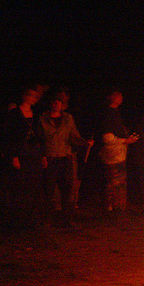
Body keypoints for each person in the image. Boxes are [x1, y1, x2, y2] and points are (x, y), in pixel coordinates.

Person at [40, 96, 93, 226]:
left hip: (65, 157)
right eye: (54, 102)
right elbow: (40, 139)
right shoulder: (42, 118)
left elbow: (73, 136)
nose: (57, 105)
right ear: (50, 104)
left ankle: (66, 220)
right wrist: (42, 156)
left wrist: (85, 143)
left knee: (67, 190)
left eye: (59, 103)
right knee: (49, 190)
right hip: (51, 156)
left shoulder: (68, 118)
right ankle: (47, 220)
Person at [4, 86, 47, 229]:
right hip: (21, 152)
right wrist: (14, 156)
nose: (32, 99)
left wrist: (43, 155)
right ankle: (18, 219)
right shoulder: (14, 114)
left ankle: (32, 219)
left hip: (34, 153)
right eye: (30, 95)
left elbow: (40, 135)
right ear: (24, 96)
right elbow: (10, 136)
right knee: (21, 185)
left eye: (35, 97)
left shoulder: (35, 114)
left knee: (34, 185)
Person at [98, 90, 138, 214]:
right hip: (112, 153)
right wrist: (125, 140)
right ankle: (111, 207)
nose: (121, 97)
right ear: (112, 97)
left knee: (118, 180)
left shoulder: (115, 113)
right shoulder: (108, 114)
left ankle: (117, 206)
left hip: (118, 153)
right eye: (118, 95)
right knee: (113, 180)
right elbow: (107, 138)